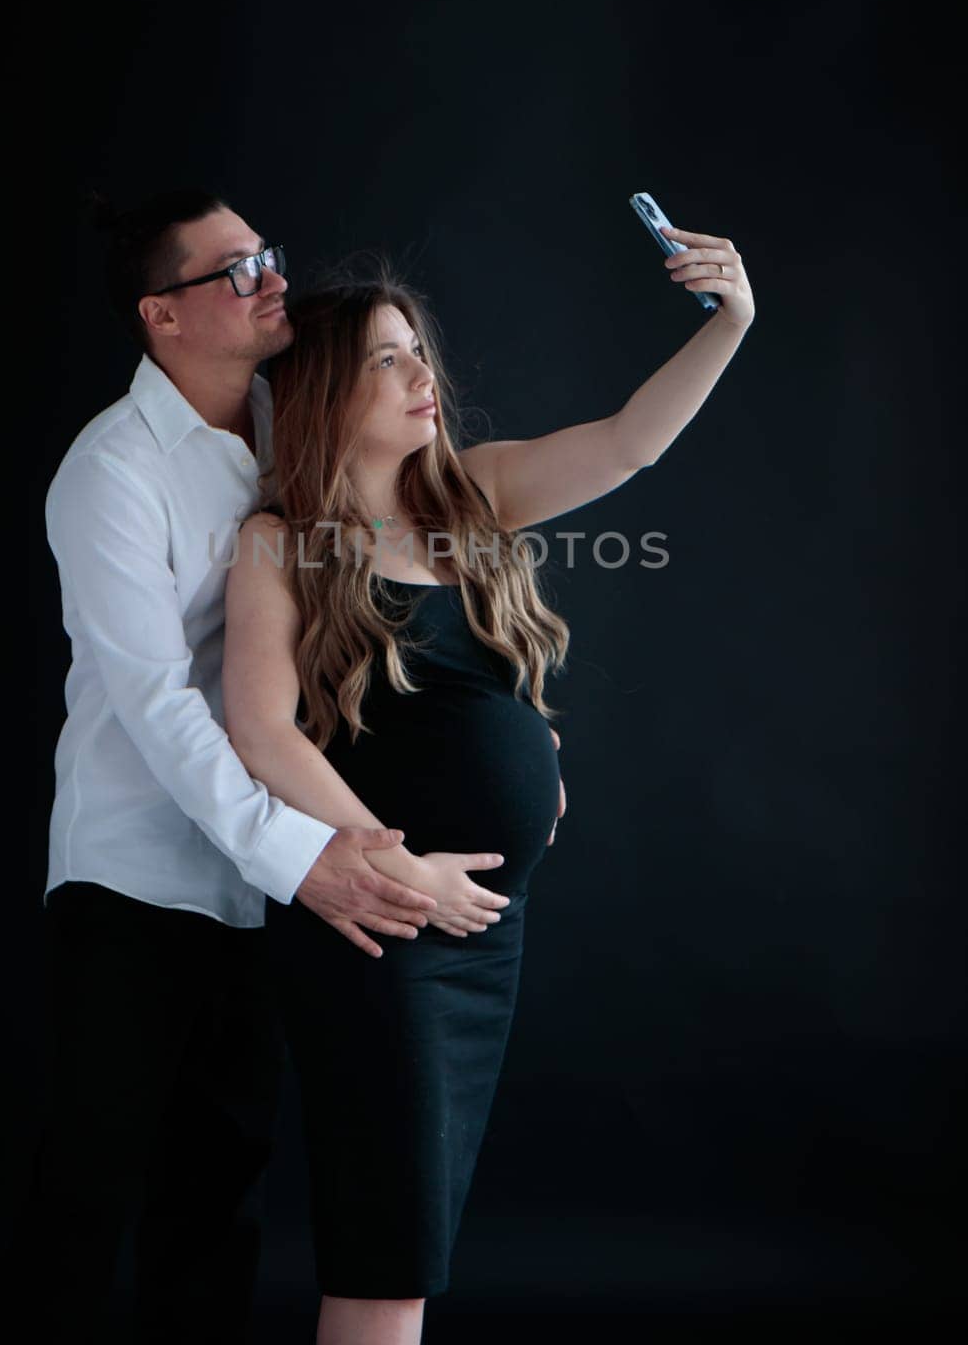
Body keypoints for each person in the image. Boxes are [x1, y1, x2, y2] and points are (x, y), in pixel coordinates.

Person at [5, 187, 533, 1345]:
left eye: (268, 256)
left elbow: (380, 609)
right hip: (143, 875)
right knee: (93, 1183)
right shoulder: (112, 470)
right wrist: (318, 858)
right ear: (163, 315)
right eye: (235, 270)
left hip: (269, 884)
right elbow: (158, 703)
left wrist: (511, 725)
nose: (272, 279)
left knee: (218, 1190)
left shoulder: (299, 419)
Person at [221, 238, 755, 1345]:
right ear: (324, 387)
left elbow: (626, 445)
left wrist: (727, 323)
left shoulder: (471, 499)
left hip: (476, 938)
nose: (424, 377)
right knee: (388, 1243)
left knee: (412, 1242)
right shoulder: (282, 542)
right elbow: (261, 732)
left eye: (420, 353)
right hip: (376, 922)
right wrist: (388, 855)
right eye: (388, 361)